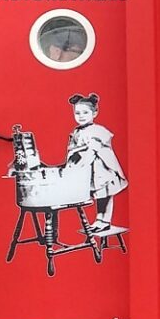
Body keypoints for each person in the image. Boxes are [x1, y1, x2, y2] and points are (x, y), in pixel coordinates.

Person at [65, 92, 128, 235]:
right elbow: (73, 149)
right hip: (90, 169)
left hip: (102, 167)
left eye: (85, 113)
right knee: (98, 194)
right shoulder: (77, 131)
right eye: (77, 113)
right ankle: (100, 220)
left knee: (104, 193)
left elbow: (92, 150)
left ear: (95, 113)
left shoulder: (97, 131)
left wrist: (81, 162)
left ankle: (105, 221)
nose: (81, 116)